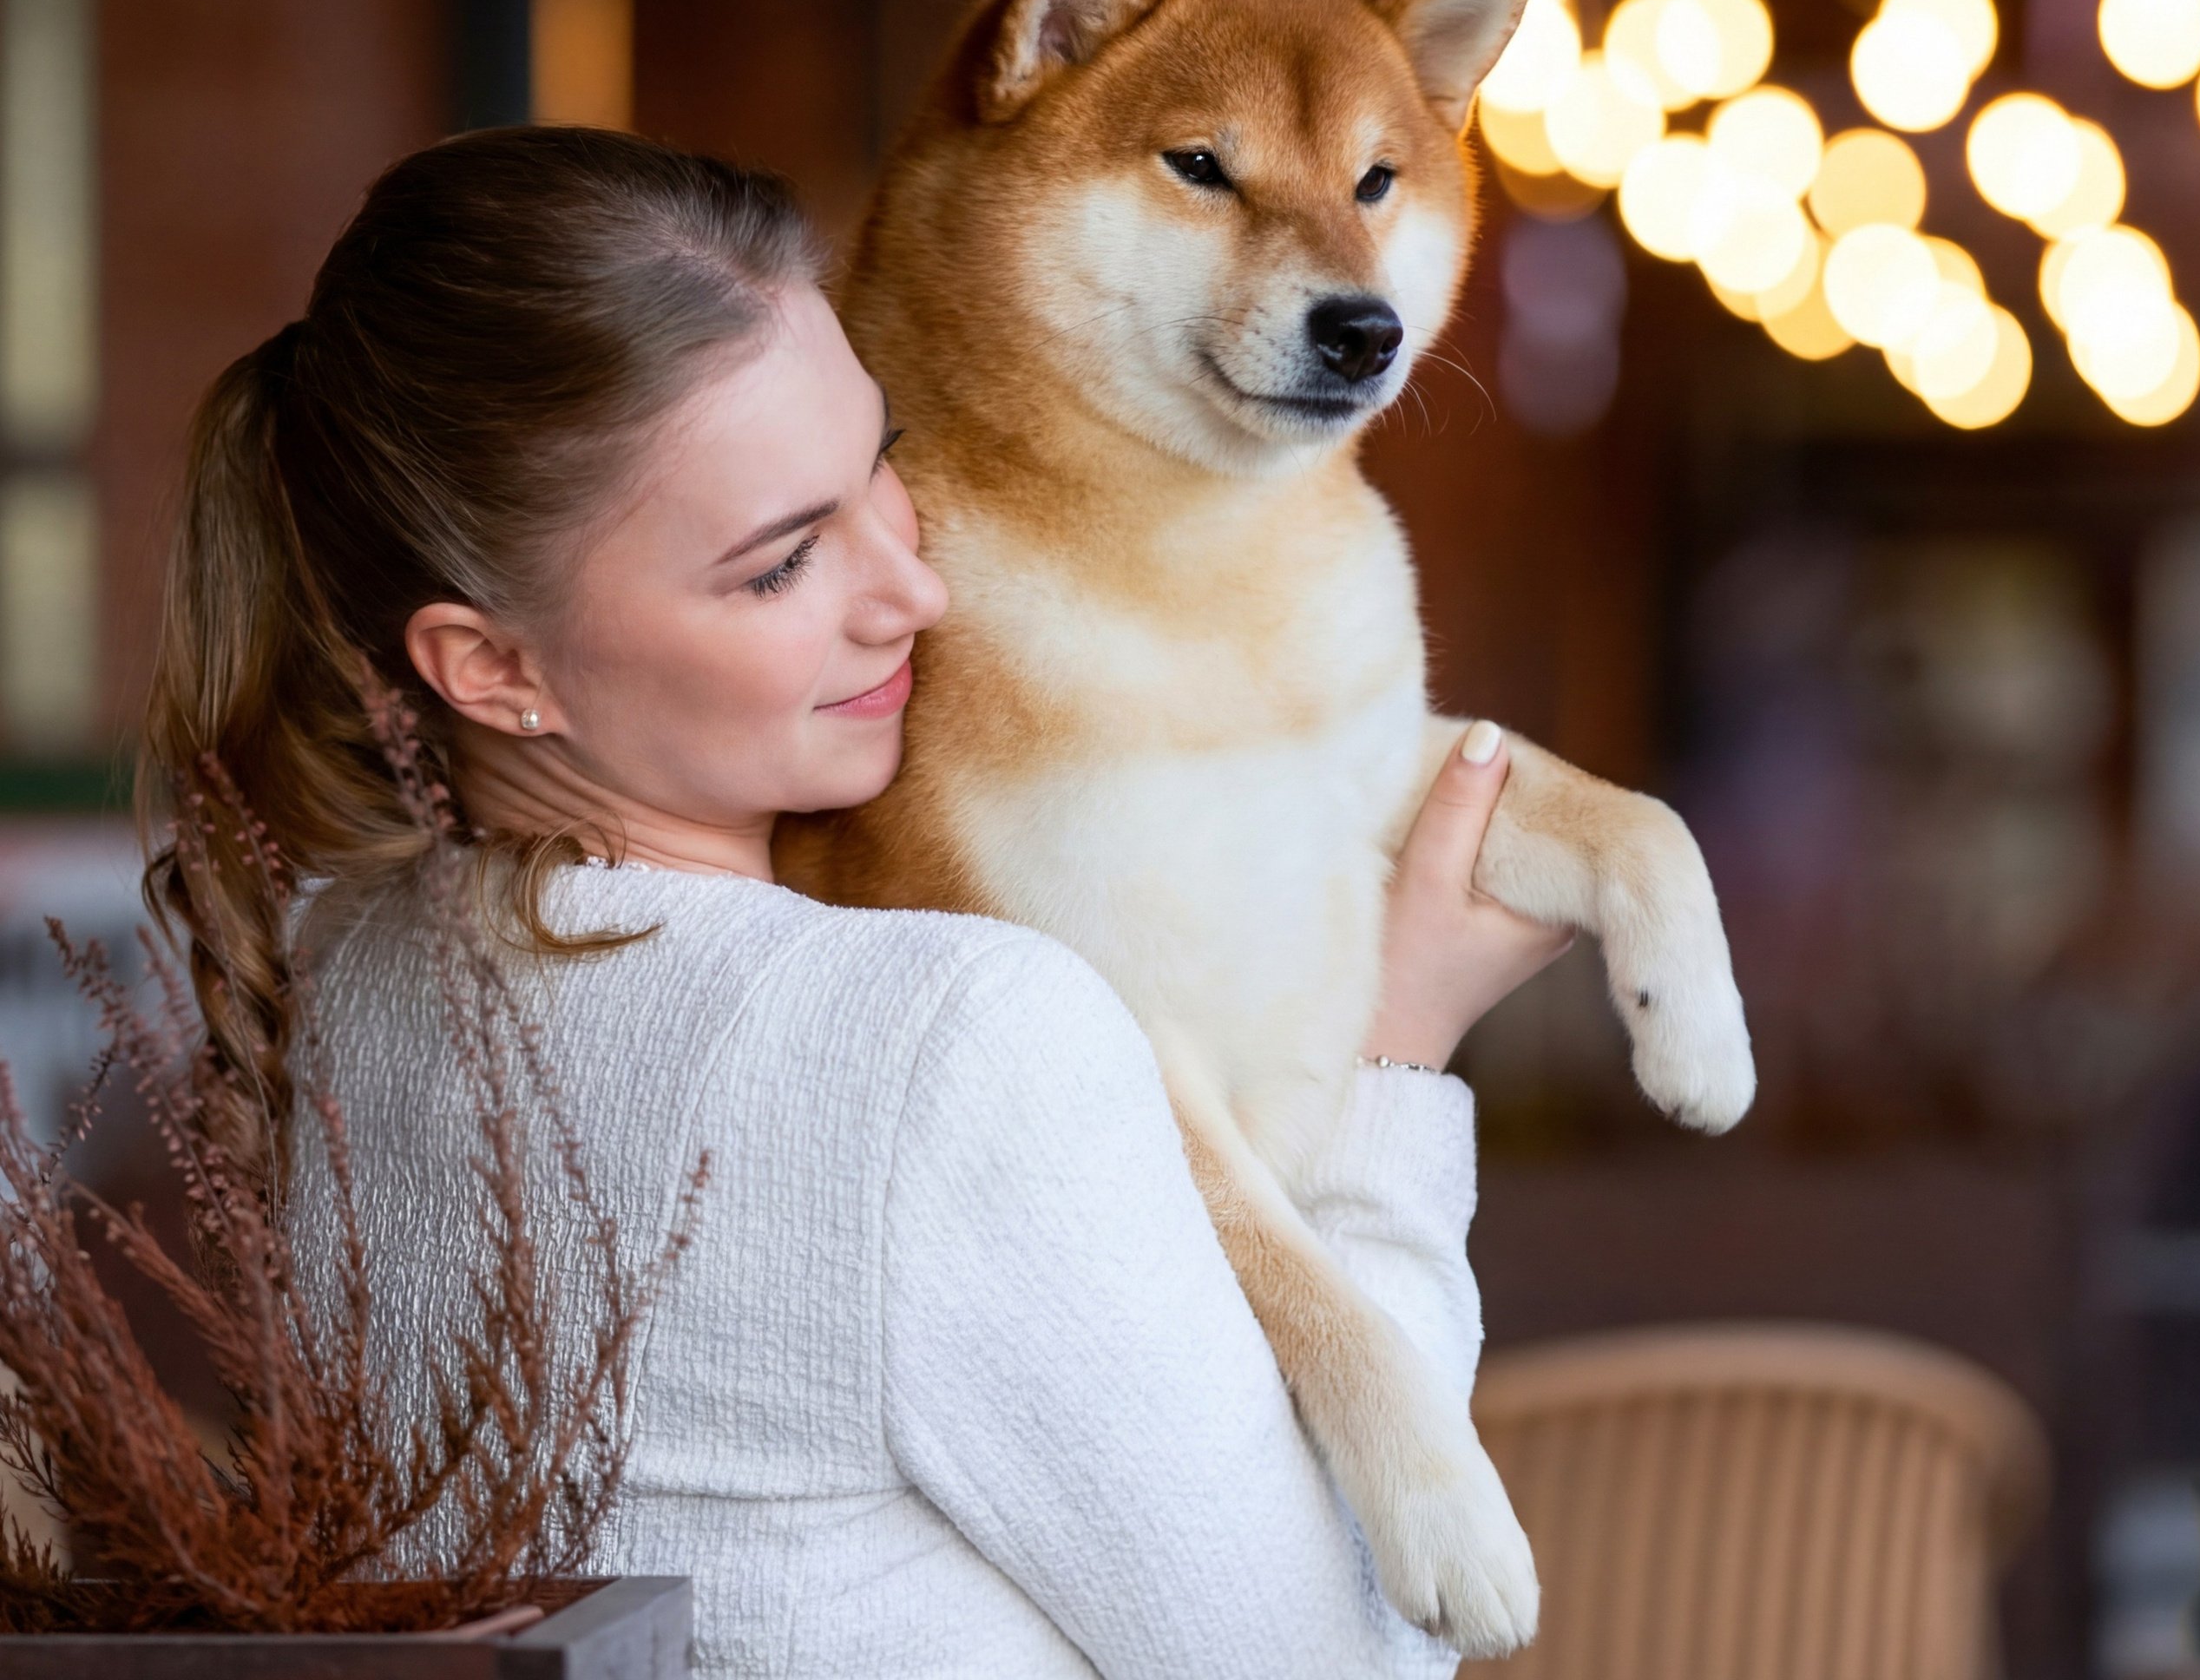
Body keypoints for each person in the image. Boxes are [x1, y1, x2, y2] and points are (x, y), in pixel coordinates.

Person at [142, 125, 1571, 1678]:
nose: (914, 588)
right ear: (491, 668)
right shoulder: (937, 1041)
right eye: (779, 567)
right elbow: (1340, 1661)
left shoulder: (343, 957)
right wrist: (1401, 1058)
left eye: (876, 466)